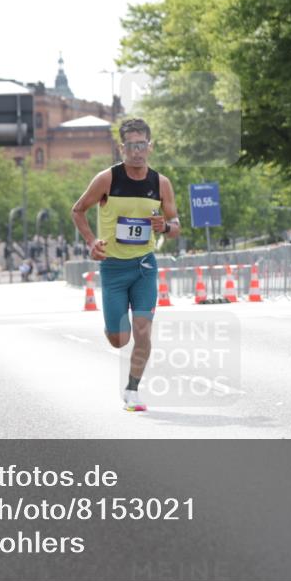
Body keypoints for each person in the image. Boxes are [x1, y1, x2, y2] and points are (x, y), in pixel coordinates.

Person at [71, 118, 181, 412]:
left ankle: (132, 389)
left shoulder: (161, 183)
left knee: (143, 331)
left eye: (141, 145)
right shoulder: (107, 179)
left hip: (144, 266)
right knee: (120, 339)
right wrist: (92, 241)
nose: (136, 151)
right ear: (122, 148)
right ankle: (113, 326)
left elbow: (175, 224)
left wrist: (165, 227)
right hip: (114, 269)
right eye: (131, 145)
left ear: (149, 146)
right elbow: (78, 210)